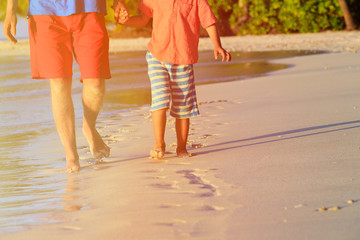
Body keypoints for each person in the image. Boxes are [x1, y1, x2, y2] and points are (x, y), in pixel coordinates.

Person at [2, 0, 128, 172]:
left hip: (89, 8)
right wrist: (11, 10)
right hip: (44, 12)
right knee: (59, 82)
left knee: (96, 82)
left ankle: (89, 126)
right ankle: (71, 156)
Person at [117, 0, 231, 158]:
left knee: (183, 106)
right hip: (157, 56)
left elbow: (208, 21)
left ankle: (182, 148)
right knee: (160, 98)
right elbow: (143, 18)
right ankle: (159, 144)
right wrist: (126, 21)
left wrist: (217, 45)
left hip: (183, 60)